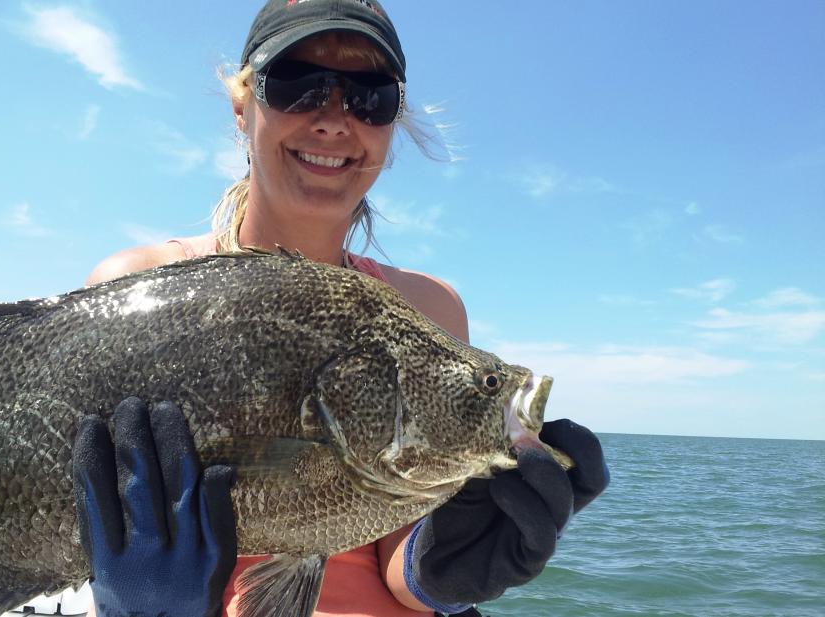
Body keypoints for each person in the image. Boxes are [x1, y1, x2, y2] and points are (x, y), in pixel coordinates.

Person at [72, 1, 610, 616]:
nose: (333, 120)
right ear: (243, 106)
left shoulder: (428, 308)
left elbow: (397, 561)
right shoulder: (138, 289)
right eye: (299, 83)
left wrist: (447, 561)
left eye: (370, 95)